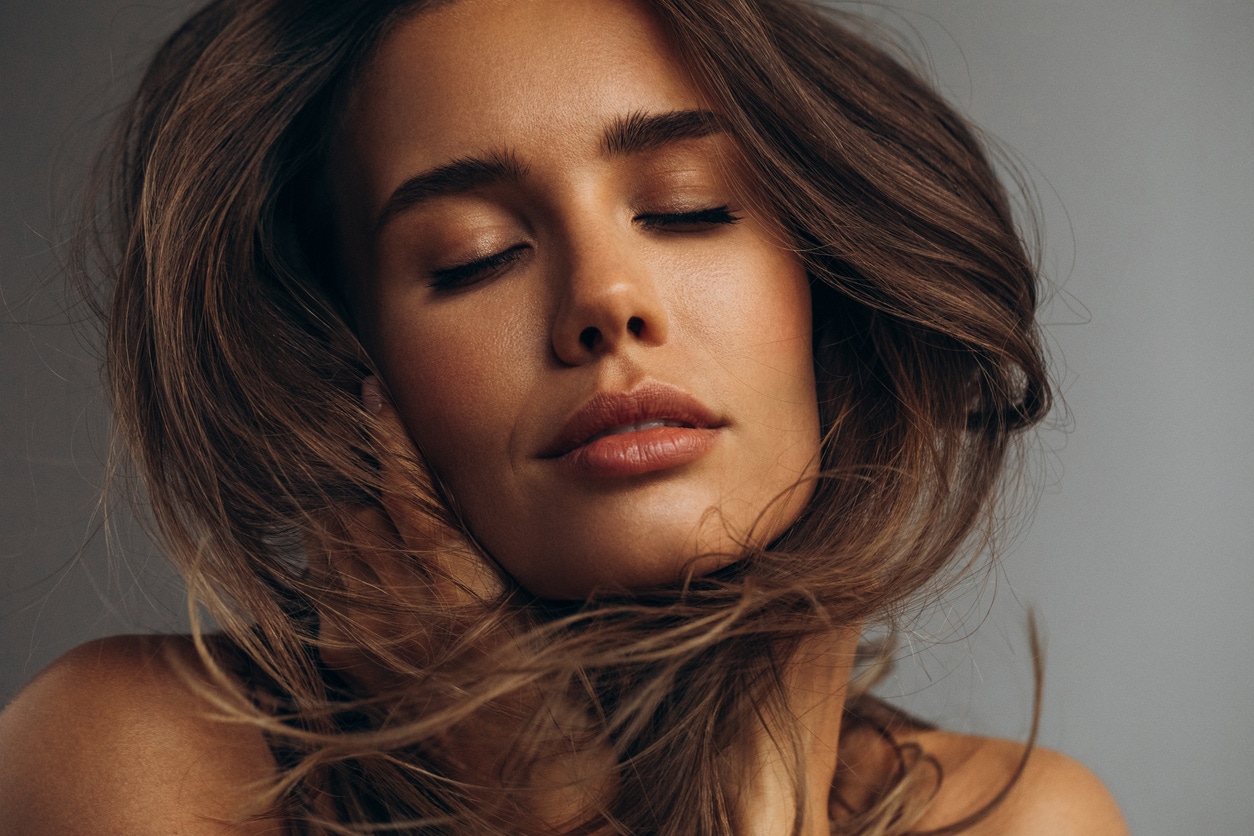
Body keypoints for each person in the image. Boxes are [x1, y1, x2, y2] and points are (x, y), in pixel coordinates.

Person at [0, 0, 1129, 833]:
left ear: (824, 279)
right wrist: (537, 792)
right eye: (473, 258)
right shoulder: (141, 763)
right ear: (343, 350)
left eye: (688, 210)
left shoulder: (1014, 816)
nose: (605, 300)